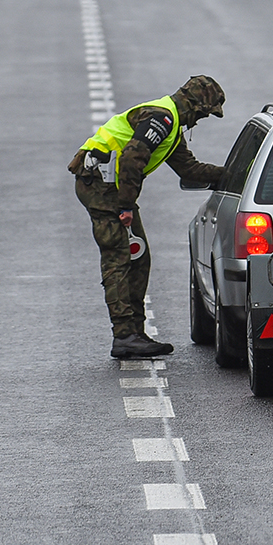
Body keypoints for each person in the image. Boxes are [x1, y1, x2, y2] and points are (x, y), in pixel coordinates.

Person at [69, 75, 227, 358]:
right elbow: (131, 158)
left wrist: (232, 175)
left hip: (109, 186)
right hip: (101, 185)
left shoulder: (171, 126)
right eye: (202, 115)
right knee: (119, 256)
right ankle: (125, 336)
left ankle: (135, 333)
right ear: (194, 105)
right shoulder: (161, 120)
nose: (198, 122)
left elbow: (189, 169)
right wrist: (126, 206)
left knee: (138, 257)